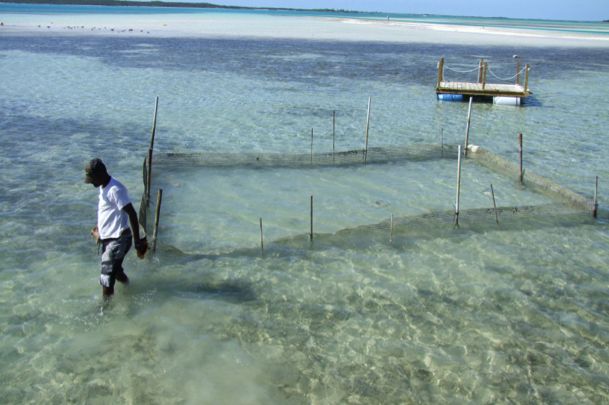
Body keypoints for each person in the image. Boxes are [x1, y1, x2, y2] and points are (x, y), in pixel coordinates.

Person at [85, 158, 147, 298]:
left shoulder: (115, 189)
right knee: (116, 271)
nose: (92, 183)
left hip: (119, 239)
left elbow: (131, 213)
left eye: (92, 179)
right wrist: (100, 231)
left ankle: (105, 311)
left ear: (101, 174)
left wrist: (137, 241)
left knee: (106, 277)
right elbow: (109, 214)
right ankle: (130, 288)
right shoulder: (103, 187)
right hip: (109, 239)